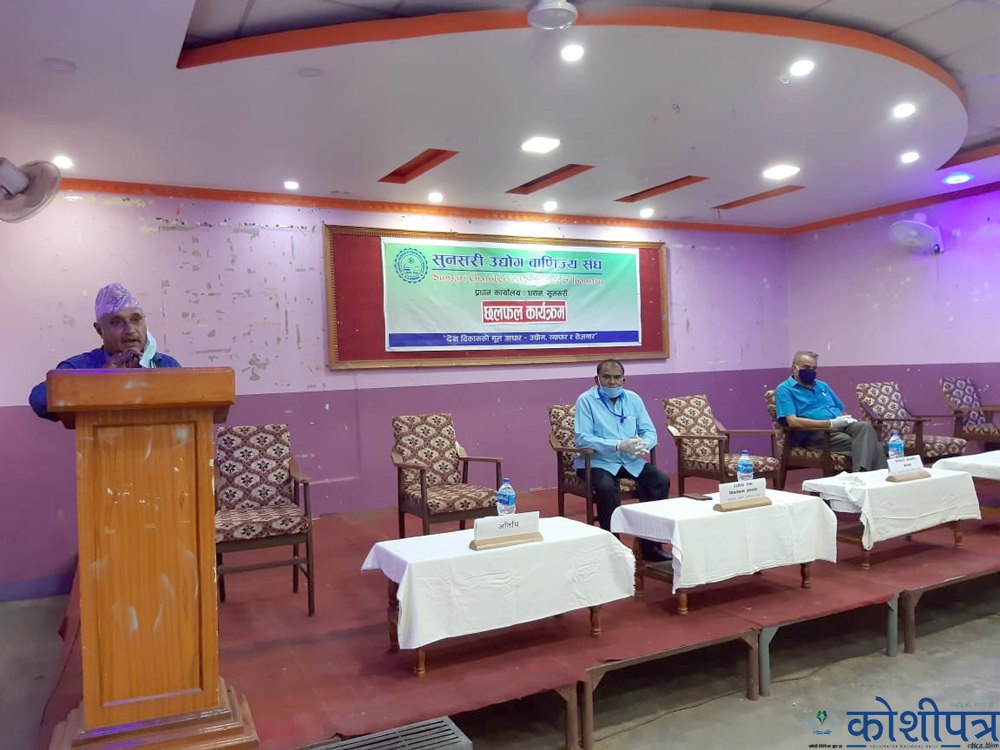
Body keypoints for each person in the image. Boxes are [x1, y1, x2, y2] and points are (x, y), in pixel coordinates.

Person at [29, 283, 181, 420]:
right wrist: (101, 379)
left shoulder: (165, 364)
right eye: (117, 322)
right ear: (99, 330)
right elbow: (39, 399)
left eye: (136, 319)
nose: (130, 330)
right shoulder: (82, 366)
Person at [574, 358, 672, 562]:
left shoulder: (633, 399)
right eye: (606, 377)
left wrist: (645, 443)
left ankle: (650, 547)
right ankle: (613, 548)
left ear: (623, 380)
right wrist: (618, 444)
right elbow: (582, 438)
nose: (612, 382)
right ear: (597, 379)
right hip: (597, 462)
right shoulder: (585, 400)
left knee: (660, 480)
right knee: (606, 487)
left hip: (628, 461)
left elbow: (649, 431)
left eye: (617, 377)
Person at [775, 350, 887, 472]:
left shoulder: (822, 385)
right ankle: (863, 476)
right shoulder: (785, 389)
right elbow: (793, 422)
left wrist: (846, 419)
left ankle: (864, 476)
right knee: (874, 446)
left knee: (865, 426)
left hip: (840, 427)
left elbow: (839, 409)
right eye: (806, 367)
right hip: (816, 434)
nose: (810, 371)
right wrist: (830, 424)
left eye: (814, 368)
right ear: (794, 368)